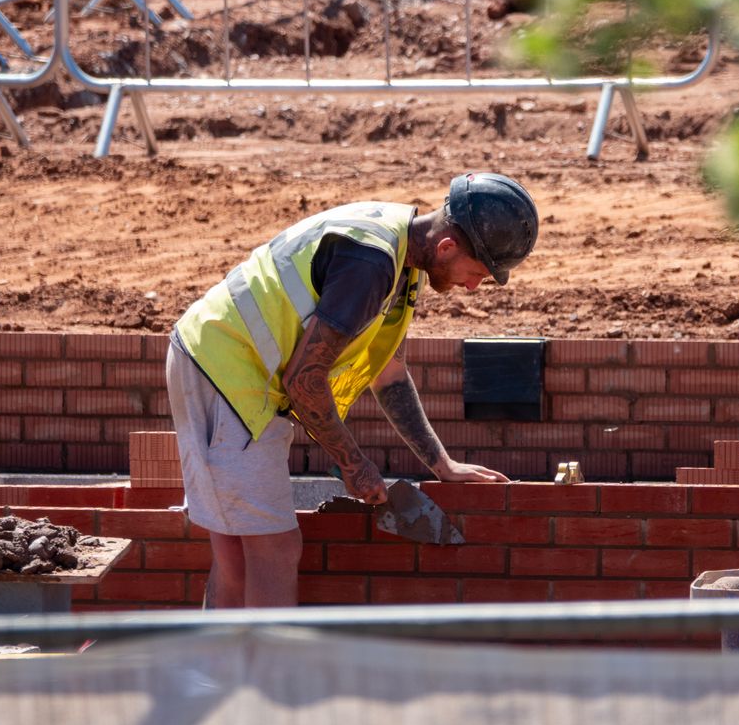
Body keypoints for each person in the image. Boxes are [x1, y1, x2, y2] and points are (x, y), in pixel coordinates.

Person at [165, 172, 540, 608]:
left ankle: (224, 670)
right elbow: (305, 381)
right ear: (447, 247)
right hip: (226, 369)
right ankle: (264, 675)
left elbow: (391, 374)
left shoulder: (406, 260)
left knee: (237, 552)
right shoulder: (370, 264)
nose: (473, 287)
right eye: (476, 273)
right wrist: (355, 466)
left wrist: (443, 464)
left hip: (228, 365)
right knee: (273, 551)